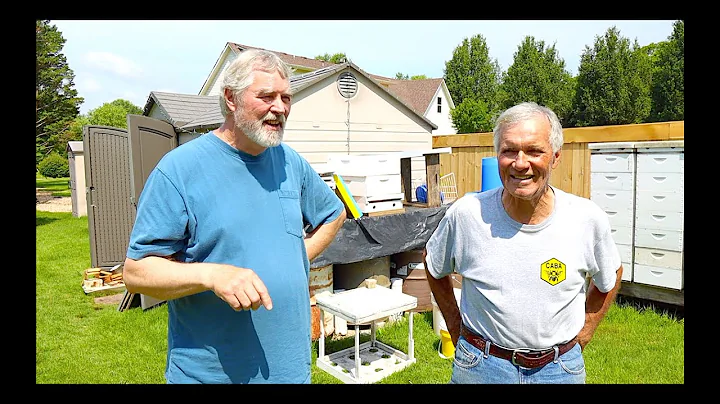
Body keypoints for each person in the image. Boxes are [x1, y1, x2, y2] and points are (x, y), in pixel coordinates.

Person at [123, 49, 347, 384]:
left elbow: (334, 214)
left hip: (290, 372)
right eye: (266, 96)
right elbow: (136, 273)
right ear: (230, 98)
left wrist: (295, 258)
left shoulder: (289, 162)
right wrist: (212, 276)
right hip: (211, 376)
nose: (280, 108)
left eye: (286, 97)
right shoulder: (180, 170)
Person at [424, 101, 622, 384]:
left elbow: (611, 273)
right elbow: (433, 265)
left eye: (534, 151)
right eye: (509, 150)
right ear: (497, 155)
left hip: (558, 370)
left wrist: (588, 327)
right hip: (481, 366)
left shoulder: (586, 219)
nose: (520, 162)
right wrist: (455, 327)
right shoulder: (467, 214)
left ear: (555, 157)